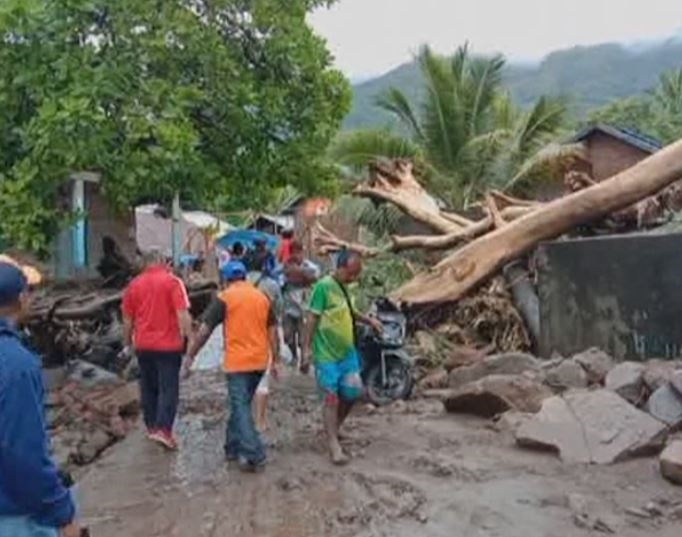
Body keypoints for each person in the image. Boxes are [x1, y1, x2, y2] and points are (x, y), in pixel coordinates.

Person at [0, 259, 81, 537]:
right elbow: (23, 453)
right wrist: (63, 512)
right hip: (14, 514)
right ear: (22, 298)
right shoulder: (16, 365)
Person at [185, 261, 279, 472]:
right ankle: (232, 447)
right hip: (259, 361)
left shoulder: (225, 297)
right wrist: (277, 360)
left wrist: (190, 356)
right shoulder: (261, 297)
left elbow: (204, 331)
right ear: (245, 276)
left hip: (238, 363)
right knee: (241, 404)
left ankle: (255, 452)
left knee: (240, 407)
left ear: (226, 279)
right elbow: (273, 331)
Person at [302, 249, 381, 465]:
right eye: (351, 273)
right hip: (326, 355)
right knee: (331, 398)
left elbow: (351, 312)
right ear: (341, 267)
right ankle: (333, 444)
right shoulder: (323, 287)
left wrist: (370, 321)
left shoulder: (346, 289)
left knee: (353, 392)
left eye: (357, 274)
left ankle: (334, 428)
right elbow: (311, 319)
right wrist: (306, 350)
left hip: (347, 354)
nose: (354, 278)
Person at [121, 250, 192, 451]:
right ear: (162, 261)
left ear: (145, 264)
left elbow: (127, 320)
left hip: (143, 345)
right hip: (169, 345)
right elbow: (182, 314)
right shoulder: (172, 282)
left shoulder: (133, 285)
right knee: (168, 387)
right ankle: (164, 430)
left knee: (148, 386)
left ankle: (152, 426)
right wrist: (188, 339)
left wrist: (127, 344)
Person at [247, 253, 283, 433]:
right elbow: (277, 313)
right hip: (262, 338)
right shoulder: (272, 285)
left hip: (240, 339)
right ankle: (260, 421)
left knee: (242, 383)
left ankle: (244, 419)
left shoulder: (238, 285)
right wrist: (276, 358)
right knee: (262, 383)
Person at [282, 240, 318, 365]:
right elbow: (282, 279)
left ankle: (304, 359)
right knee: (288, 336)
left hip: (304, 305)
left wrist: (298, 272)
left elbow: (314, 277)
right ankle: (294, 356)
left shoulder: (310, 266)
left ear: (302, 252)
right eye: (294, 252)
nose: (296, 255)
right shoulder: (285, 265)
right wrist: (299, 274)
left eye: (299, 252)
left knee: (304, 336)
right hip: (288, 306)